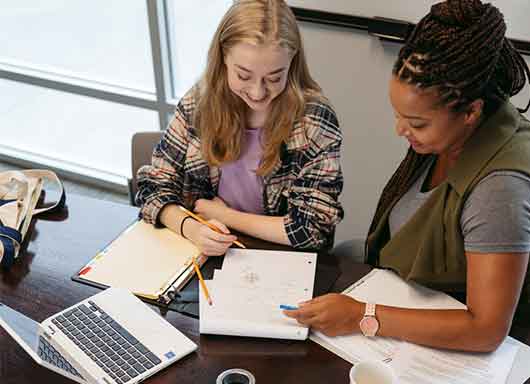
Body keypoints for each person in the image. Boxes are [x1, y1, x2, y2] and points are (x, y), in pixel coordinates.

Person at [285, 0, 530, 352]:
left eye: (416, 123)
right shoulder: (449, 134)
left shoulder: (500, 188)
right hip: (406, 290)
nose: (401, 130)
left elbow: (486, 329)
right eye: (399, 114)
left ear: (470, 112)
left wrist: (362, 316)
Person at [136, 0, 343, 256]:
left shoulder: (314, 121)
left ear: (292, 63)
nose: (258, 93)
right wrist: (191, 228)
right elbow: (154, 187)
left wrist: (223, 215)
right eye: (243, 75)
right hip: (206, 250)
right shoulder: (198, 104)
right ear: (223, 57)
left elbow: (312, 229)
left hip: (281, 261)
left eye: (275, 77)